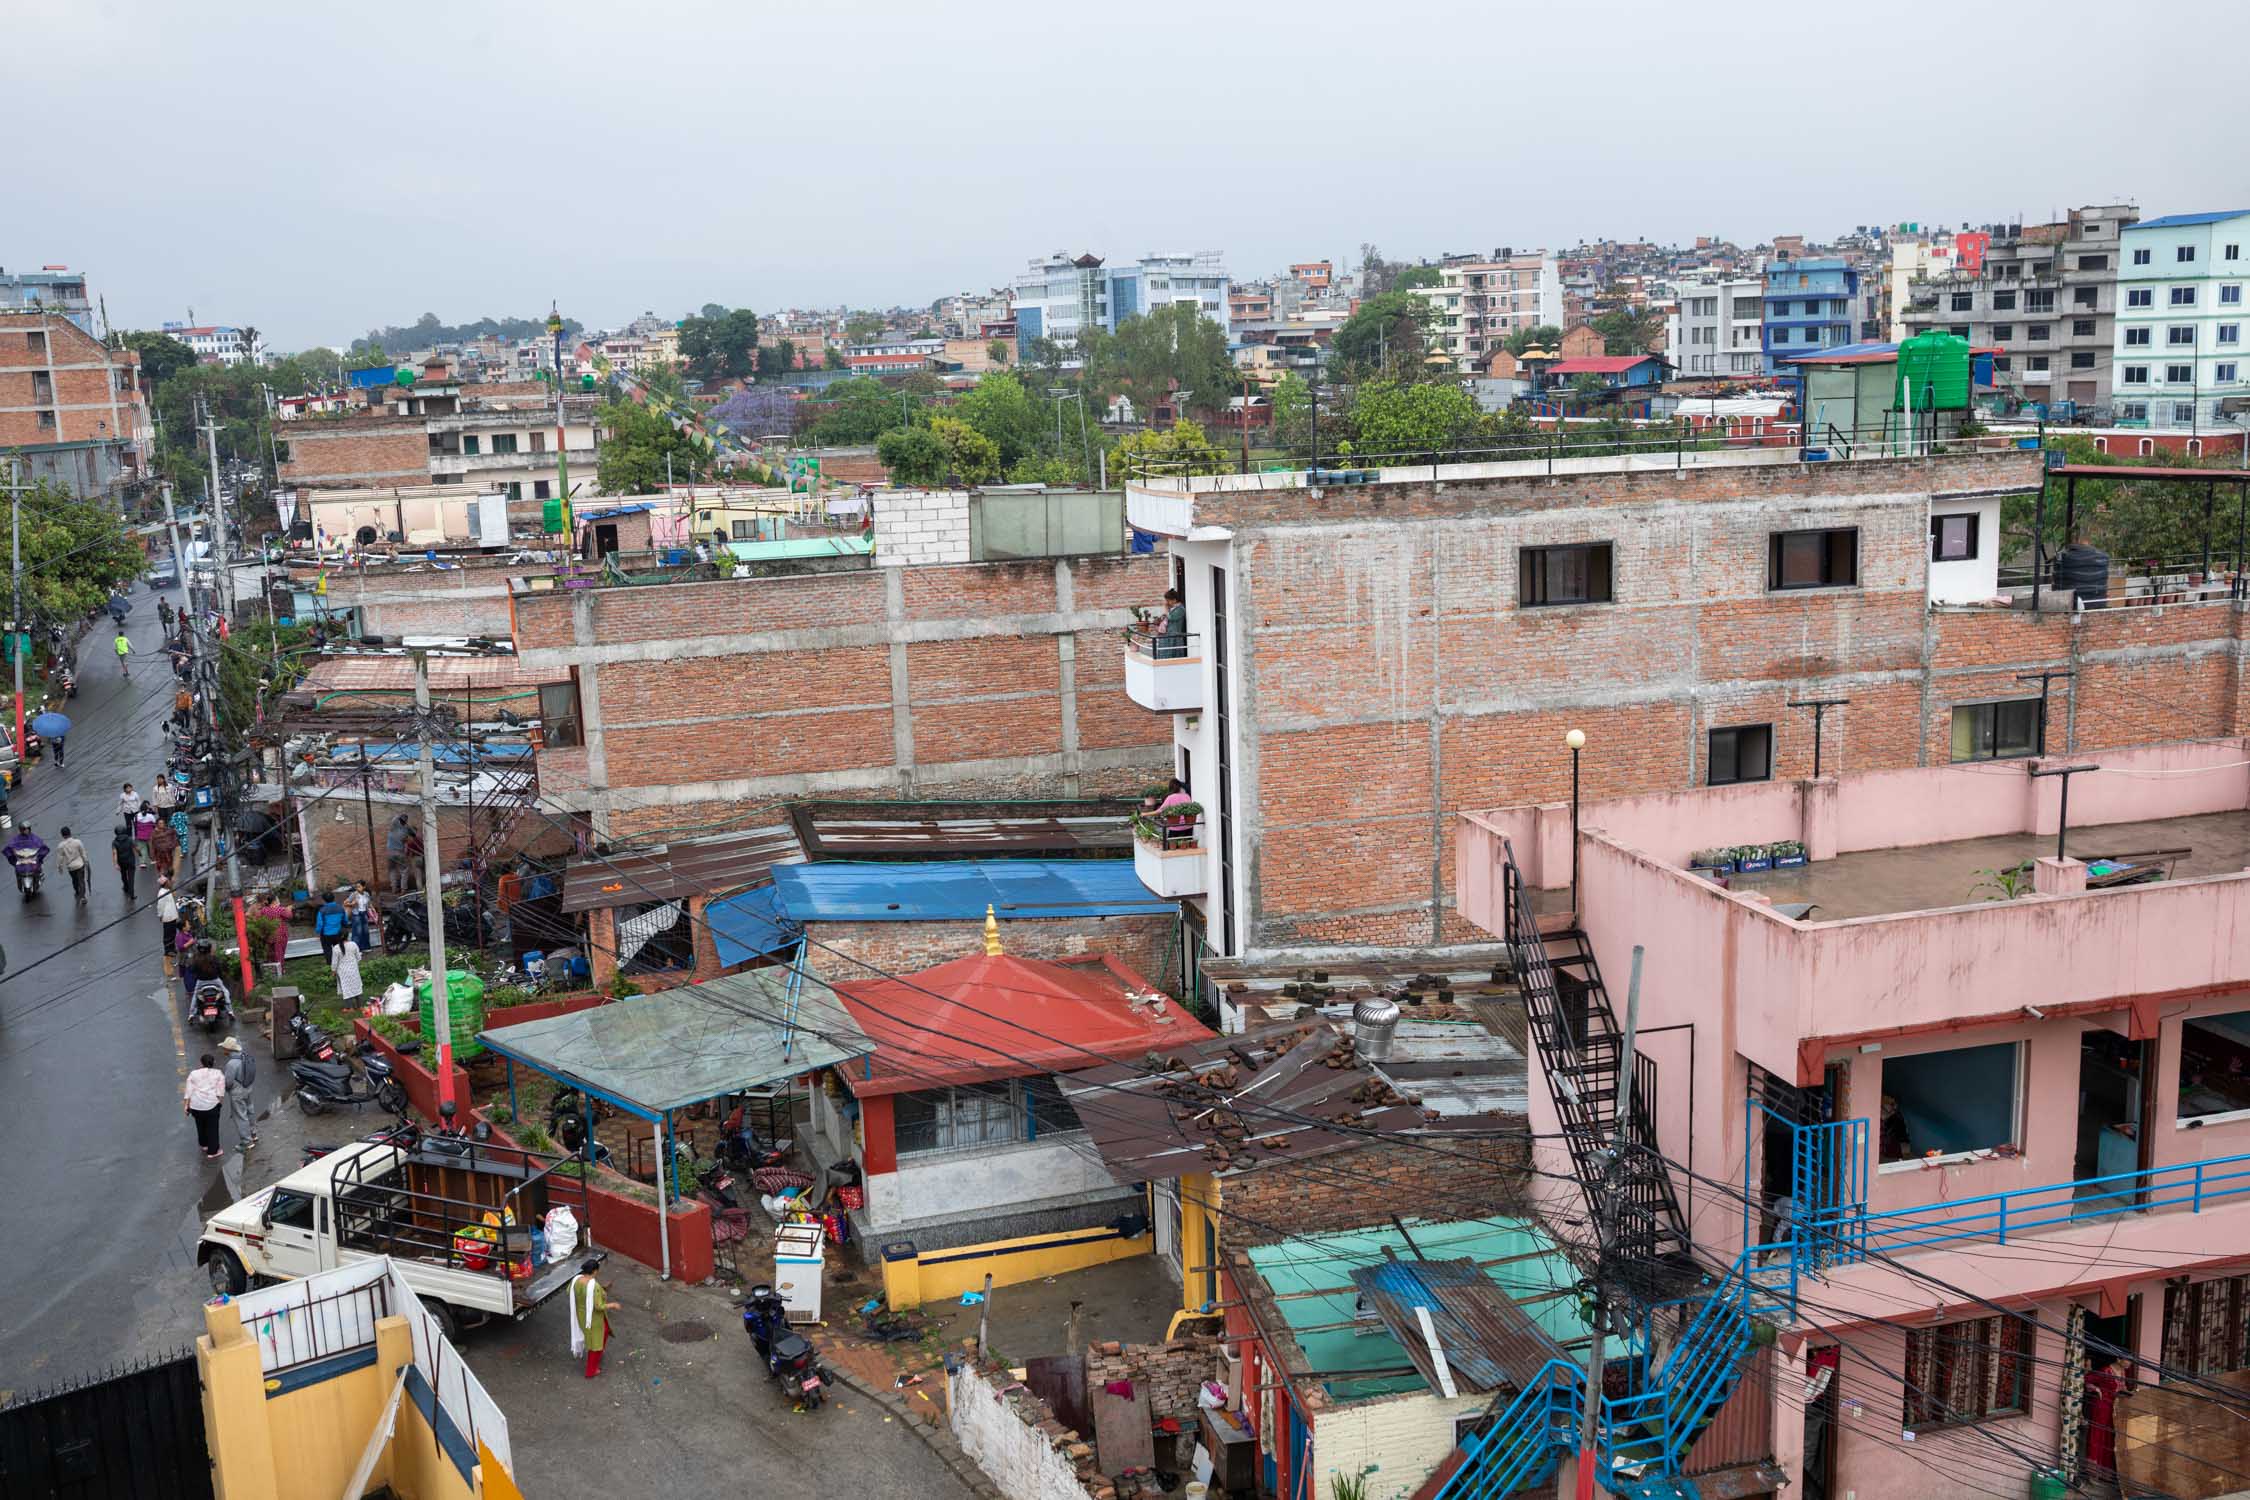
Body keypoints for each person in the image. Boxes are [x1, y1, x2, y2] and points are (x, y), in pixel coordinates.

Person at [568, 1260, 621, 1378]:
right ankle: (591, 1370)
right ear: (595, 1271)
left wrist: (601, 1289)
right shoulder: (594, 1286)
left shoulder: (576, 1280)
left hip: (581, 1315)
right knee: (595, 1343)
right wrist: (613, 1305)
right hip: (593, 1318)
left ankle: (598, 1353)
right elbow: (598, 1306)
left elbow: (571, 1292)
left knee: (605, 1331)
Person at [2085, 1350, 2125, 1480]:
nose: (2130, 1362)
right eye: (2128, 1359)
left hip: (2113, 1409)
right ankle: (2092, 1473)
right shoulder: (2106, 1371)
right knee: (2097, 1436)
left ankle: (2105, 1473)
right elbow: (2087, 1378)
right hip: (2101, 1407)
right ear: (2119, 1359)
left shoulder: (2123, 1372)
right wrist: (2096, 1389)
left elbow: (2121, 1388)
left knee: (2108, 1438)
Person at [184, 1052, 226, 1160]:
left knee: (200, 1124)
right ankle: (213, 1151)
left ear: (201, 1063)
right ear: (213, 1063)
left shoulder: (193, 1074)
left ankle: (204, 1144)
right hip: (211, 1105)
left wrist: (186, 1105)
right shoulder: (218, 1073)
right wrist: (219, 1103)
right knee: (212, 1128)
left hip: (196, 1106)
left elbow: (188, 1091)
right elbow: (220, 1092)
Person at [219, 1035, 257, 1153]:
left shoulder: (232, 1064)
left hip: (237, 1093)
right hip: (248, 1088)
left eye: (224, 1048)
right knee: (250, 1111)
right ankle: (253, 1134)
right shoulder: (245, 1056)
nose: (223, 1050)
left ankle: (247, 1142)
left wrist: (224, 1090)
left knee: (240, 1116)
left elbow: (228, 1082)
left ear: (229, 1050)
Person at [183, 941, 225, 1017]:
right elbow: (220, 969)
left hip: (201, 982)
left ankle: (191, 1014)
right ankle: (230, 1011)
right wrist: (221, 978)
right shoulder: (214, 958)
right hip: (215, 980)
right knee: (225, 992)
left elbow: (192, 970)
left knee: (195, 996)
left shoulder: (196, 959)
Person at [5, 822, 49, 891]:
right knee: (17, 869)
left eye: (28, 829)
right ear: (21, 830)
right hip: (22, 859)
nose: (27, 830)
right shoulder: (16, 839)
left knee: (39, 865)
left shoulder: (34, 838)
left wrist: (40, 853)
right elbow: (10, 846)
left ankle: (39, 875)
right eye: (24, 829)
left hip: (32, 858)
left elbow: (41, 845)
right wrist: (12, 852)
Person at [55, 825, 88, 901]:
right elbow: (83, 853)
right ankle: (83, 897)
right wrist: (86, 861)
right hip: (80, 865)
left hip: (71, 867)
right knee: (81, 881)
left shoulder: (61, 846)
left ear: (62, 835)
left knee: (74, 880)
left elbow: (60, 858)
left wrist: (60, 868)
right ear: (70, 833)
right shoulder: (78, 842)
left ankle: (77, 891)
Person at [1155, 586, 1188, 659]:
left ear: (1174, 600)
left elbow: (1171, 617)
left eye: (1168, 600)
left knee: (1173, 658)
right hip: (1166, 637)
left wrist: (1166, 610)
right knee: (1163, 658)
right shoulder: (1172, 608)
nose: (1167, 602)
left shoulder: (1181, 609)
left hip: (1174, 637)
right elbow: (1168, 617)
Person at [315, 888, 347, 963]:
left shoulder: (322, 910)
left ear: (324, 900)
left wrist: (318, 932)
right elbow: (345, 920)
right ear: (334, 898)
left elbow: (320, 924)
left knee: (327, 949)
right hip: (338, 933)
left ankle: (330, 962)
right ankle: (341, 960)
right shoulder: (340, 908)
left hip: (326, 934)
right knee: (339, 947)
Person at [331, 929, 363, 1004]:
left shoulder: (336, 948)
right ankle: (360, 1006)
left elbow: (334, 962)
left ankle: (349, 1007)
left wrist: (333, 971)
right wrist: (355, 963)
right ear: (348, 936)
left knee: (346, 988)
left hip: (343, 972)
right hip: (354, 970)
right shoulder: (353, 944)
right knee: (356, 986)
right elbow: (358, 957)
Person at [158, 876, 181, 972]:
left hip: (172, 915)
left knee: (172, 933)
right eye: (168, 882)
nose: (170, 883)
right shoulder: (162, 893)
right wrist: (160, 915)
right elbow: (160, 906)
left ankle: (172, 949)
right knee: (168, 935)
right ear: (165, 883)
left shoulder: (168, 891)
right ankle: (168, 950)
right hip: (167, 916)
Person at [386, 814, 412, 895]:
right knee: (404, 870)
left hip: (389, 852)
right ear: (406, 822)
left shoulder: (393, 827)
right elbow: (412, 835)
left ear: (399, 820)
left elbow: (394, 818)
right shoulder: (406, 830)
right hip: (399, 852)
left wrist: (398, 815)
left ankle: (394, 888)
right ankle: (403, 889)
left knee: (392, 870)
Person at [111, 820, 138, 900]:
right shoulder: (129, 839)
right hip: (130, 861)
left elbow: (115, 853)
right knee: (131, 877)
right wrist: (139, 853)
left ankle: (126, 887)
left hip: (121, 862)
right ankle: (132, 894)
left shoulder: (114, 842)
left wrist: (115, 864)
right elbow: (135, 848)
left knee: (123, 875)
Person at [149, 817, 180, 886]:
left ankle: (169, 882)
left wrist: (173, 845)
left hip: (168, 854)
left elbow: (175, 835)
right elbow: (151, 845)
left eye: (163, 823)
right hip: (159, 856)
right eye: (160, 823)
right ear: (157, 824)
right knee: (161, 870)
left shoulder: (168, 831)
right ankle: (163, 885)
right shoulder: (154, 834)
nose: (162, 825)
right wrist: (152, 855)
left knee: (170, 869)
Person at [348, 881, 374, 951]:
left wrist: (373, 910)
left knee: (365, 930)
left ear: (364, 887)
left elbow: (369, 903)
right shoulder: (353, 894)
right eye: (356, 887)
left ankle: (366, 947)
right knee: (357, 931)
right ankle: (356, 949)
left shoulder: (366, 894)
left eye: (359, 886)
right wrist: (352, 904)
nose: (357, 888)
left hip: (364, 913)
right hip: (356, 914)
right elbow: (346, 903)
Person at [133, 802, 157, 867]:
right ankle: (152, 860)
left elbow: (135, 826)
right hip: (150, 835)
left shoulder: (136, 816)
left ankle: (142, 862)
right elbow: (154, 824)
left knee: (142, 849)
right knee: (151, 848)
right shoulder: (150, 816)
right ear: (147, 809)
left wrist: (136, 836)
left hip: (140, 835)